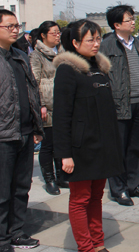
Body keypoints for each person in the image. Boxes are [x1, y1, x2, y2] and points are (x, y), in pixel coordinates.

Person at [53, 19, 124, 252]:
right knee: (80, 199)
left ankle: (98, 242)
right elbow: (61, 116)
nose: (96, 44)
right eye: (90, 40)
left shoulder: (100, 69)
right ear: (74, 42)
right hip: (80, 147)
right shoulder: (67, 70)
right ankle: (86, 247)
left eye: (97, 39)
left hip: (102, 145)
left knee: (96, 198)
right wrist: (65, 154)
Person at [99, 5, 139, 206]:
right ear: (116, 24)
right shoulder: (107, 45)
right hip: (119, 104)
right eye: (128, 19)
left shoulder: (137, 42)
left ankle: (134, 184)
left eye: (133, 18)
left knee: (135, 148)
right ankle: (119, 189)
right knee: (119, 149)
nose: (133, 22)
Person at [0, 9, 44, 251]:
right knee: (2, 191)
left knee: (21, 187)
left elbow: (31, 93)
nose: (15, 30)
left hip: (25, 132)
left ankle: (16, 231)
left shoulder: (20, 56)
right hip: (3, 135)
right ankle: (2, 238)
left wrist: (36, 126)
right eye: (9, 26)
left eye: (17, 25)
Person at [30, 21, 68, 196]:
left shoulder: (62, 53)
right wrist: (41, 105)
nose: (57, 35)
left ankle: (62, 175)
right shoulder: (36, 56)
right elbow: (34, 82)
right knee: (48, 145)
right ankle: (50, 179)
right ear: (43, 35)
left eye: (58, 32)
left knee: (61, 142)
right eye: (53, 33)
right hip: (48, 104)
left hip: (62, 103)